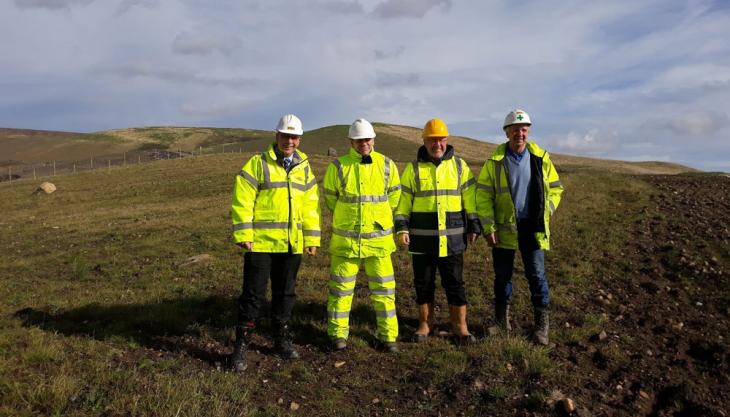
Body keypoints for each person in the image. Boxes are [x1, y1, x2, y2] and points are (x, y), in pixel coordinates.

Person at [229, 114, 321, 371]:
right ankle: (241, 348)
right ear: (276, 136)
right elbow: (243, 200)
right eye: (285, 136)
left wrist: (312, 238)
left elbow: (311, 207)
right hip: (261, 244)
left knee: (286, 294)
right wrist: (244, 233)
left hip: (292, 244)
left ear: (299, 139)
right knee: (252, 296)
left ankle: (281, 340)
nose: (289, 141)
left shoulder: (304, 167)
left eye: (293, 137)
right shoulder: (258, 163)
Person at [475, 109, 564, 345]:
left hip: (532, 228)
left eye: (524, 130)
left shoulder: (541, 158)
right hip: (503, 229)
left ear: (528, 131)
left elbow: (556, 188)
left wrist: (547, 211)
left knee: (536, 276)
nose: (520, 134)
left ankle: (541, 327)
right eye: (515, 130)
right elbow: (482, 196)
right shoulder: (494, 161)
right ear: (507, 133)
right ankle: (501, 322)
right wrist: (488, 227)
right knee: (502, 277)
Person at [394, 118, 481, 345]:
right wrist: (402, 227)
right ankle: (425, 324)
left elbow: (470, 199)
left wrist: (473, 224)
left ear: (447, 140)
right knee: (423, 283)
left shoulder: (460, 167)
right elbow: (403, 203)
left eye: (441, 139)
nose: (437, 144)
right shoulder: (412, 169)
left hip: (453, 239)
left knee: (455, 283)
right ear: (424, 141)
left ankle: (460, 327)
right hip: (422, 241)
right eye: (432, 140)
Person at [323, 118, 401, 353]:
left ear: (373, 139)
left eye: (367, 139)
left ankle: (388, 337)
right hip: (347, 243)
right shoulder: (338, 166)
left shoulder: (387, 165)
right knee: (340, 292)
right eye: (358, 140)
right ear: (351, 141)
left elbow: (394, 198)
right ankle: (338, 335)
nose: (363, 143)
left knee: (385, 293)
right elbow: (330, 199)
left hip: (379, 243)